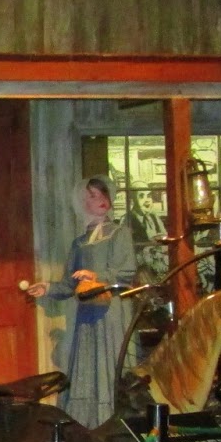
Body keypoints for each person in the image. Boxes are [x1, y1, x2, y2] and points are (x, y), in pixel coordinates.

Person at [25, 175, 136, 428]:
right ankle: (87, 424)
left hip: (111, 313)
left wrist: (97, 276)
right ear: (81, 203)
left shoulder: (120, 234)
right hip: (87, 315)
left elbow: (126, 272)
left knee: (111, 364)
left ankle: (115, 421)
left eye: (103, 194)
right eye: (93, 196)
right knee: (87, 364)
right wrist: (48, 287)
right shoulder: (79, 243)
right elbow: (69, 283)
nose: (100, 200)